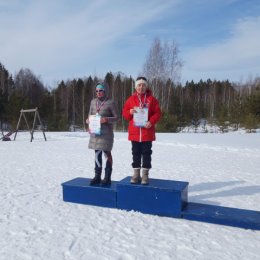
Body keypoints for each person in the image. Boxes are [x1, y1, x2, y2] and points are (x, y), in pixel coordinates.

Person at [122, 76, 161, 185]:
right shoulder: (131, 99)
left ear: (146, 86)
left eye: (143, 85)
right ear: (136, 87)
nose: (141, 87)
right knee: (135, 153)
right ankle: (136, 174)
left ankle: (145, 175)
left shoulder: (152, 99)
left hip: (147, 133)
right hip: (135, 133)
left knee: (147, 154)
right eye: (139, 85)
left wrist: (151, 122)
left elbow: (158, 113)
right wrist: (129, 112)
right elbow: (124, 114)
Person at [86, 82, 118, 185]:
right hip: (95, 133)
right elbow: (90, 115)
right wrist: (88, 123)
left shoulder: (110, 102)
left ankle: (107, 177)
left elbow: (117, 117)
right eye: (97, 91)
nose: (98, 93)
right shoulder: (92, 102)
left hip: (106, 135)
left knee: (106, 154)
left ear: (105, 91)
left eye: (100, 90)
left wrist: (106, 119)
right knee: (97, 154)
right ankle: (97, 176)